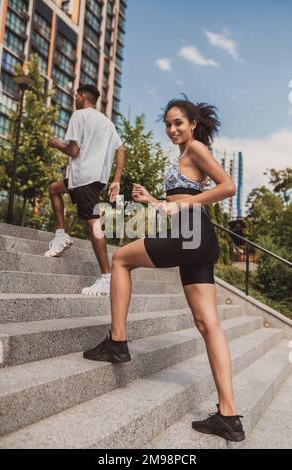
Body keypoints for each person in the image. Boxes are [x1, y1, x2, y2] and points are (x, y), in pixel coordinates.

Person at [82, 98, 245, 442]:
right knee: (208, 323)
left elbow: (226, 186)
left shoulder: (196, 148)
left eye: (178, 124)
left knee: (121, 259)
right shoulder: (184, 155)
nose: (172, 130)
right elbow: (177, 203)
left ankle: (117, 342)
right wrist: (153, 201)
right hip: (194, 236)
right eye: (168, 125)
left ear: (194, 124)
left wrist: (184, 202)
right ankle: (228, 417)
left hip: (191, 233)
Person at [46, 84, 125, 296]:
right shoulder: (107, 123)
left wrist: (56, 144)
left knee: (93, 223)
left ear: (82, 96)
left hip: (84, 177)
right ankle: (61, 234)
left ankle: (107, 277)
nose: (75, 99)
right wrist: (116, 180)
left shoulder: (79, 115)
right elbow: (121, 150)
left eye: (75, 96)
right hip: (89, 178)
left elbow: (73, 150)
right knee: (54, 189)